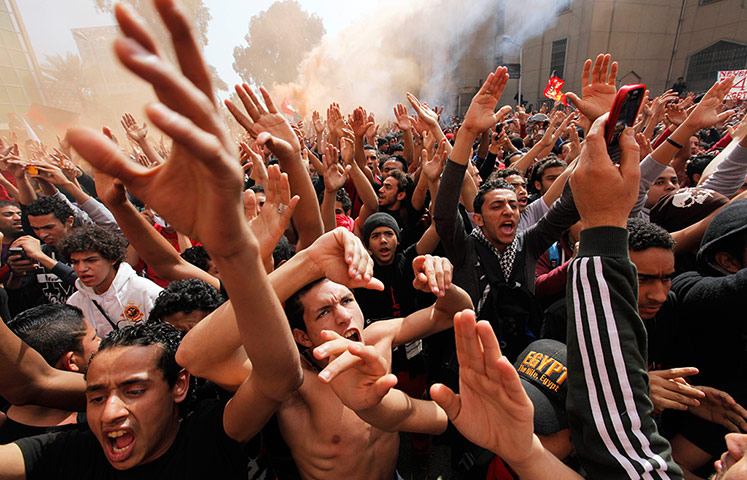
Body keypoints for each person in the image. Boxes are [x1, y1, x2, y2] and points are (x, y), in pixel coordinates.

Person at [0, 0, 303, 476]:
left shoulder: (206, 434)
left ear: (180, 385)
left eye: (134, 389)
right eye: (96, 395)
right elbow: (29, 379)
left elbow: (280, 375)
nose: (111, 411)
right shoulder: (76, 452)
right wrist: (118, 204)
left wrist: (237, 251)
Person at [0, 304, 99, 444]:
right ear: (72, 362)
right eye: (94, 338)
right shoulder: (92, 428)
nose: (102, 341)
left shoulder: (6, 424)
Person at [59, 224, 163, 337]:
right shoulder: (75, 303)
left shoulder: (145, 291)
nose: (81, 268)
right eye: (75, 262)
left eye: (91, 260)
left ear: (112, 259)